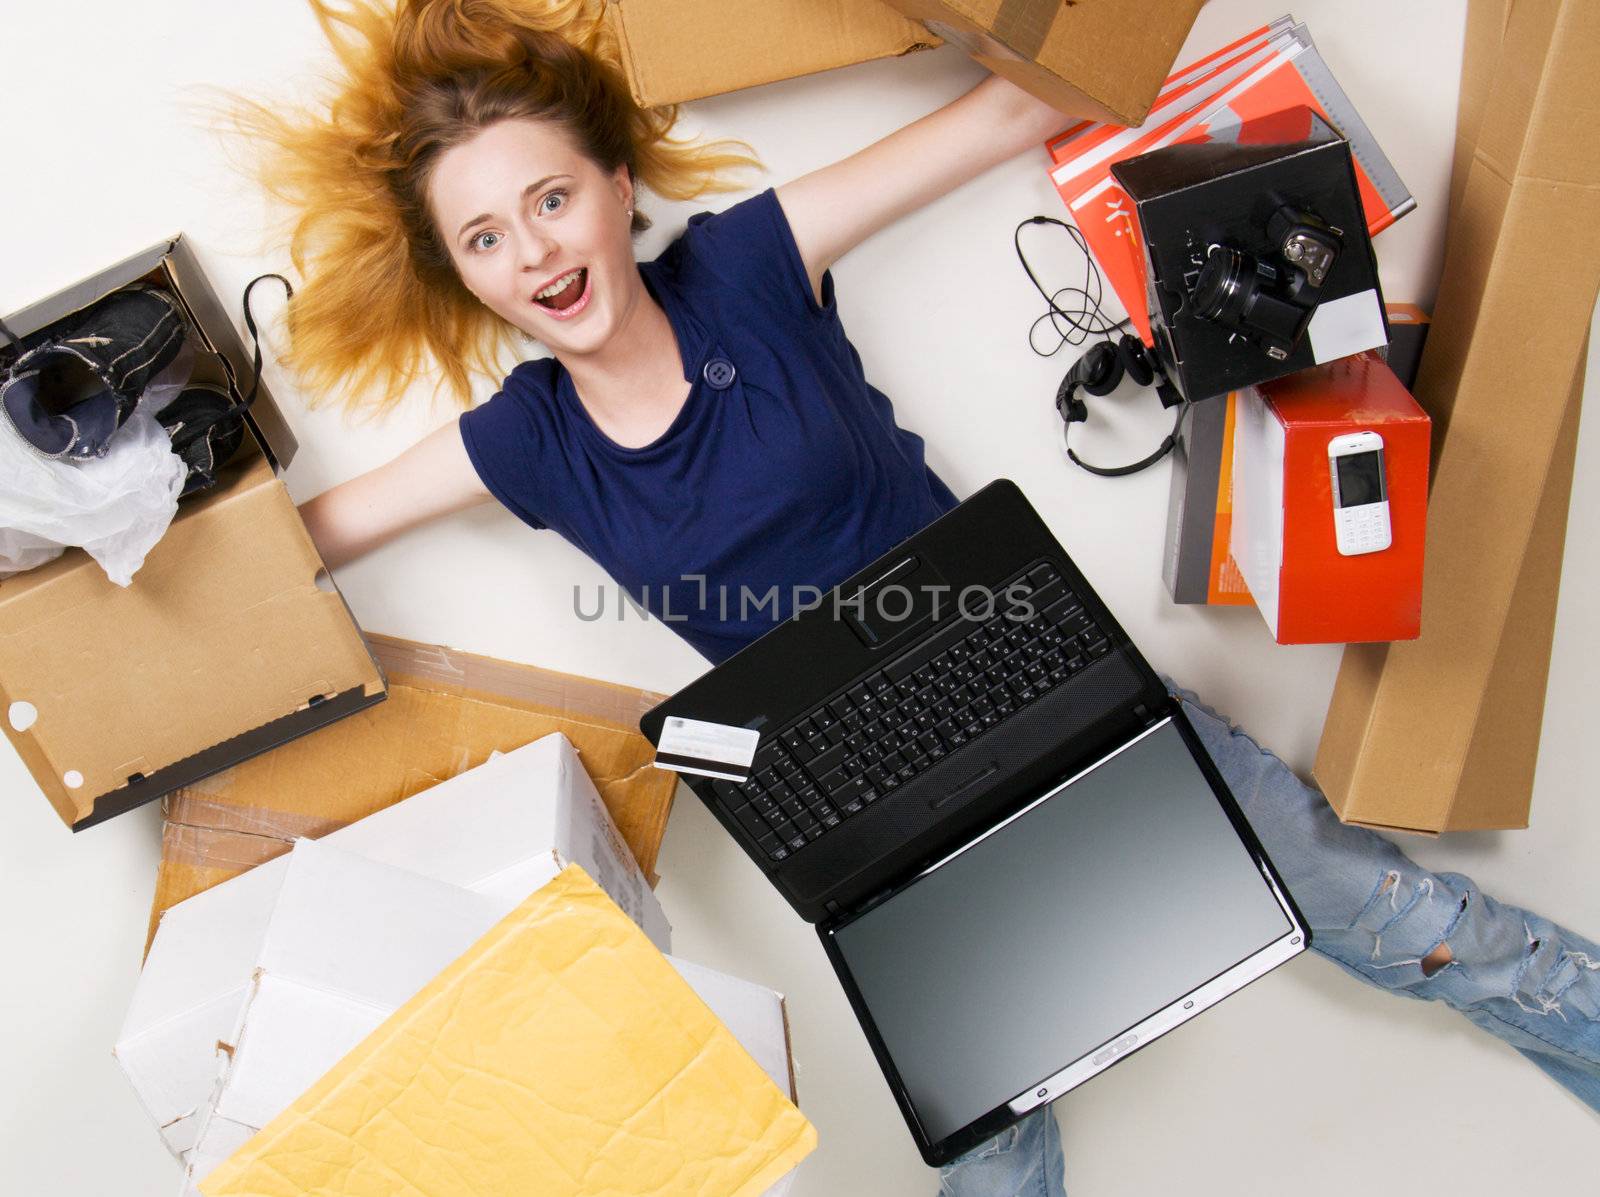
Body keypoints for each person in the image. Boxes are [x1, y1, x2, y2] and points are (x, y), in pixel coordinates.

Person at [242, 2, 1600, 1191]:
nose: (533, 252)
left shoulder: (747, 269)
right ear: (464, 277)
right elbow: (305, 542)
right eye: (483, 238)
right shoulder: (526, 439)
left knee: (1373, 908)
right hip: (875, 808)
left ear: (611, 180)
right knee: (984, 1135)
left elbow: (1015, 106)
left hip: (1045, 678)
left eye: (547, 199)